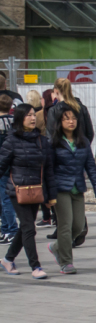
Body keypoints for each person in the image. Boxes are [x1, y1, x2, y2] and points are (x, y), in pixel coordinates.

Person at [0, 104, 54, 279]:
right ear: (19, 118)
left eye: (33, 115)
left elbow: (48, 171)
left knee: (25, 228)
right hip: (17, 191)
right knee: (29, 227)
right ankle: (35, 266)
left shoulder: (42, 141)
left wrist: (51, 195)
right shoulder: (11, 141)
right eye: (28, 115)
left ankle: (8, 259)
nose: (32, 118)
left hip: (36, 191)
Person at [47, 106, 96, 274]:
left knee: (78, 226)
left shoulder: (83, 141)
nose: (71, 121)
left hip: (77, 188)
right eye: (66, 118)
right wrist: (48, 193)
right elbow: (48, 169)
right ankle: (66, 262)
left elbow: (91, 167)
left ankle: (57, 247)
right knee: (65, 225)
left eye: (73, 118)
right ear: (60, 122)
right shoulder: (53, 142)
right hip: (60, 188)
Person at [27, 91, 53, 229]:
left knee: (43, 185)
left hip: (40, 155)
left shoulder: (40, 115)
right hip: (47, 153)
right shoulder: (47, 113)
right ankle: (51, 216)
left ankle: (47, 217)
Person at [45, 78, 94, 144]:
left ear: (56, 91)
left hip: (61, 151)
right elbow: (90, 133)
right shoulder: (82, 108)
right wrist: (84, 147)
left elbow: (50, 136)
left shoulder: (53, 110)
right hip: (81, 148)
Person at [0, 95, 16, 245]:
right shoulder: (14, 121)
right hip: (14, 162)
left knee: (5, 199)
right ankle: (5, 229)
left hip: (2, 163)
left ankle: (11, 230)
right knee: (4, 198)